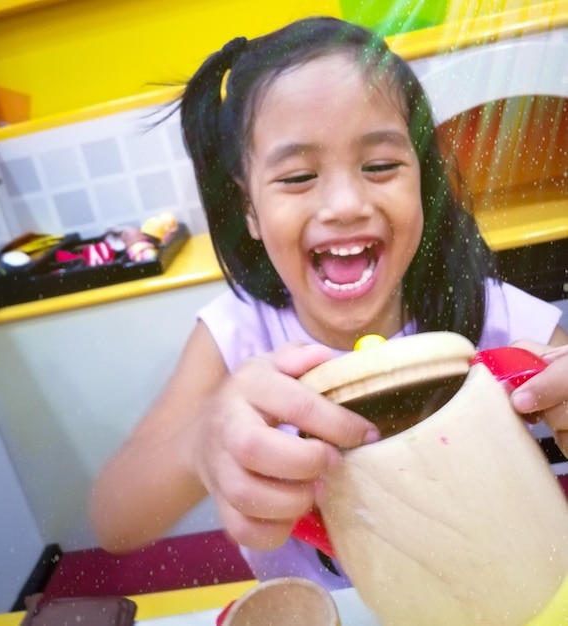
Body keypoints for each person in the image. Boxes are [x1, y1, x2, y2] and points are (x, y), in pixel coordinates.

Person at [89, 16, 568, 590]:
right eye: (297, 177)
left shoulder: (493, 315)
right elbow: (112, 521)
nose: (344, 204)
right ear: (249, 209)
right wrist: (201, 443)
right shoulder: (240, 334)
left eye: (382, 166)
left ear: (423, 180)